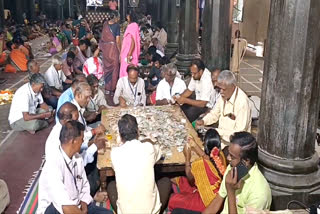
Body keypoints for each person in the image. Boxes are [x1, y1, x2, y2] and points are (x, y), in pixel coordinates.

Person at [38, 121, 113, 214]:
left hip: (77, 205)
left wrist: (84, 204)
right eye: (82, 139)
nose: (83, 142)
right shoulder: (53, 164)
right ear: (73, 141)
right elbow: (65, 206)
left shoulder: (77, 158)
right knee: (55, 208)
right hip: (58, 210)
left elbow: (84, 186)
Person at [107, 114, 171, 214]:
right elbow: (158, 152)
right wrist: (147, 140)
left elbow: (115, 167)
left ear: (120, 135)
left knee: (111, 185)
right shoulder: (149, 148)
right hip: (150, 212)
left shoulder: (115, 153)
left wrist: (119, 144)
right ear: (138, 131)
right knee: (166, 181)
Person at [45, 102, 107, 196]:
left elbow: (78, 150)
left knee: (95, 158)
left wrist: (92, 144)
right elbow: (78, 162)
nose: (78, 121)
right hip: (68, 180)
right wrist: (94, 146)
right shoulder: (58, 140)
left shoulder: (66, 130)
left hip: (73, 167)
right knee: (94, 172)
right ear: (66, 120)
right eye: (76, 119)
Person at [203, 132, 272, 214]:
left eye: (232, 156)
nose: (228, 158)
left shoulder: (259, 193)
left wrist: (231, 192)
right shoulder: (233, 167)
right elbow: (218, 200)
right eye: (229, 154)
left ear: (246, 161)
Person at [169, 129, 227, 212]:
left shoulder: (199, 164)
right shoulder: (219, 154)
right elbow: (207, 157)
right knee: (180, 180)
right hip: (218, 195)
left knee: (173, 200)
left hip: (208, 203)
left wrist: (187, 158)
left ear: (205, 145)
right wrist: (194, 145)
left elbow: (191, 180)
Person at [196, 70, 251, 142]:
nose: (221, 92)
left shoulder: (242, 102)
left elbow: (239, 133)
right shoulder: (223, 96)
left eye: (224, 89)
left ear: (232, 87)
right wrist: (204, 121)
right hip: (221, 140)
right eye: (219, 89)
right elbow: (214, 114)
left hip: (236, 144)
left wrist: (216, 131)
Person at [99, 10, 121, 96]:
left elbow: (102, 38)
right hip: (113, 49)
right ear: (115, 17)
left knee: (107, 69)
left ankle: (107, 89)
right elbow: (118, 41)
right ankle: (112, 90)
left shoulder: (105, 24)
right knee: (115, 69)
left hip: (105, 50)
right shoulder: (116, 26)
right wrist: (120, 52)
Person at [119, 10, 141, 78]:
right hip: (126, 51)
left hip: (129, 52)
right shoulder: (132, 25)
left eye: (128, 16)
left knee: (127, 69)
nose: (127, 17)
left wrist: (129, 53)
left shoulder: (133, 25)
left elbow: (133, 41)